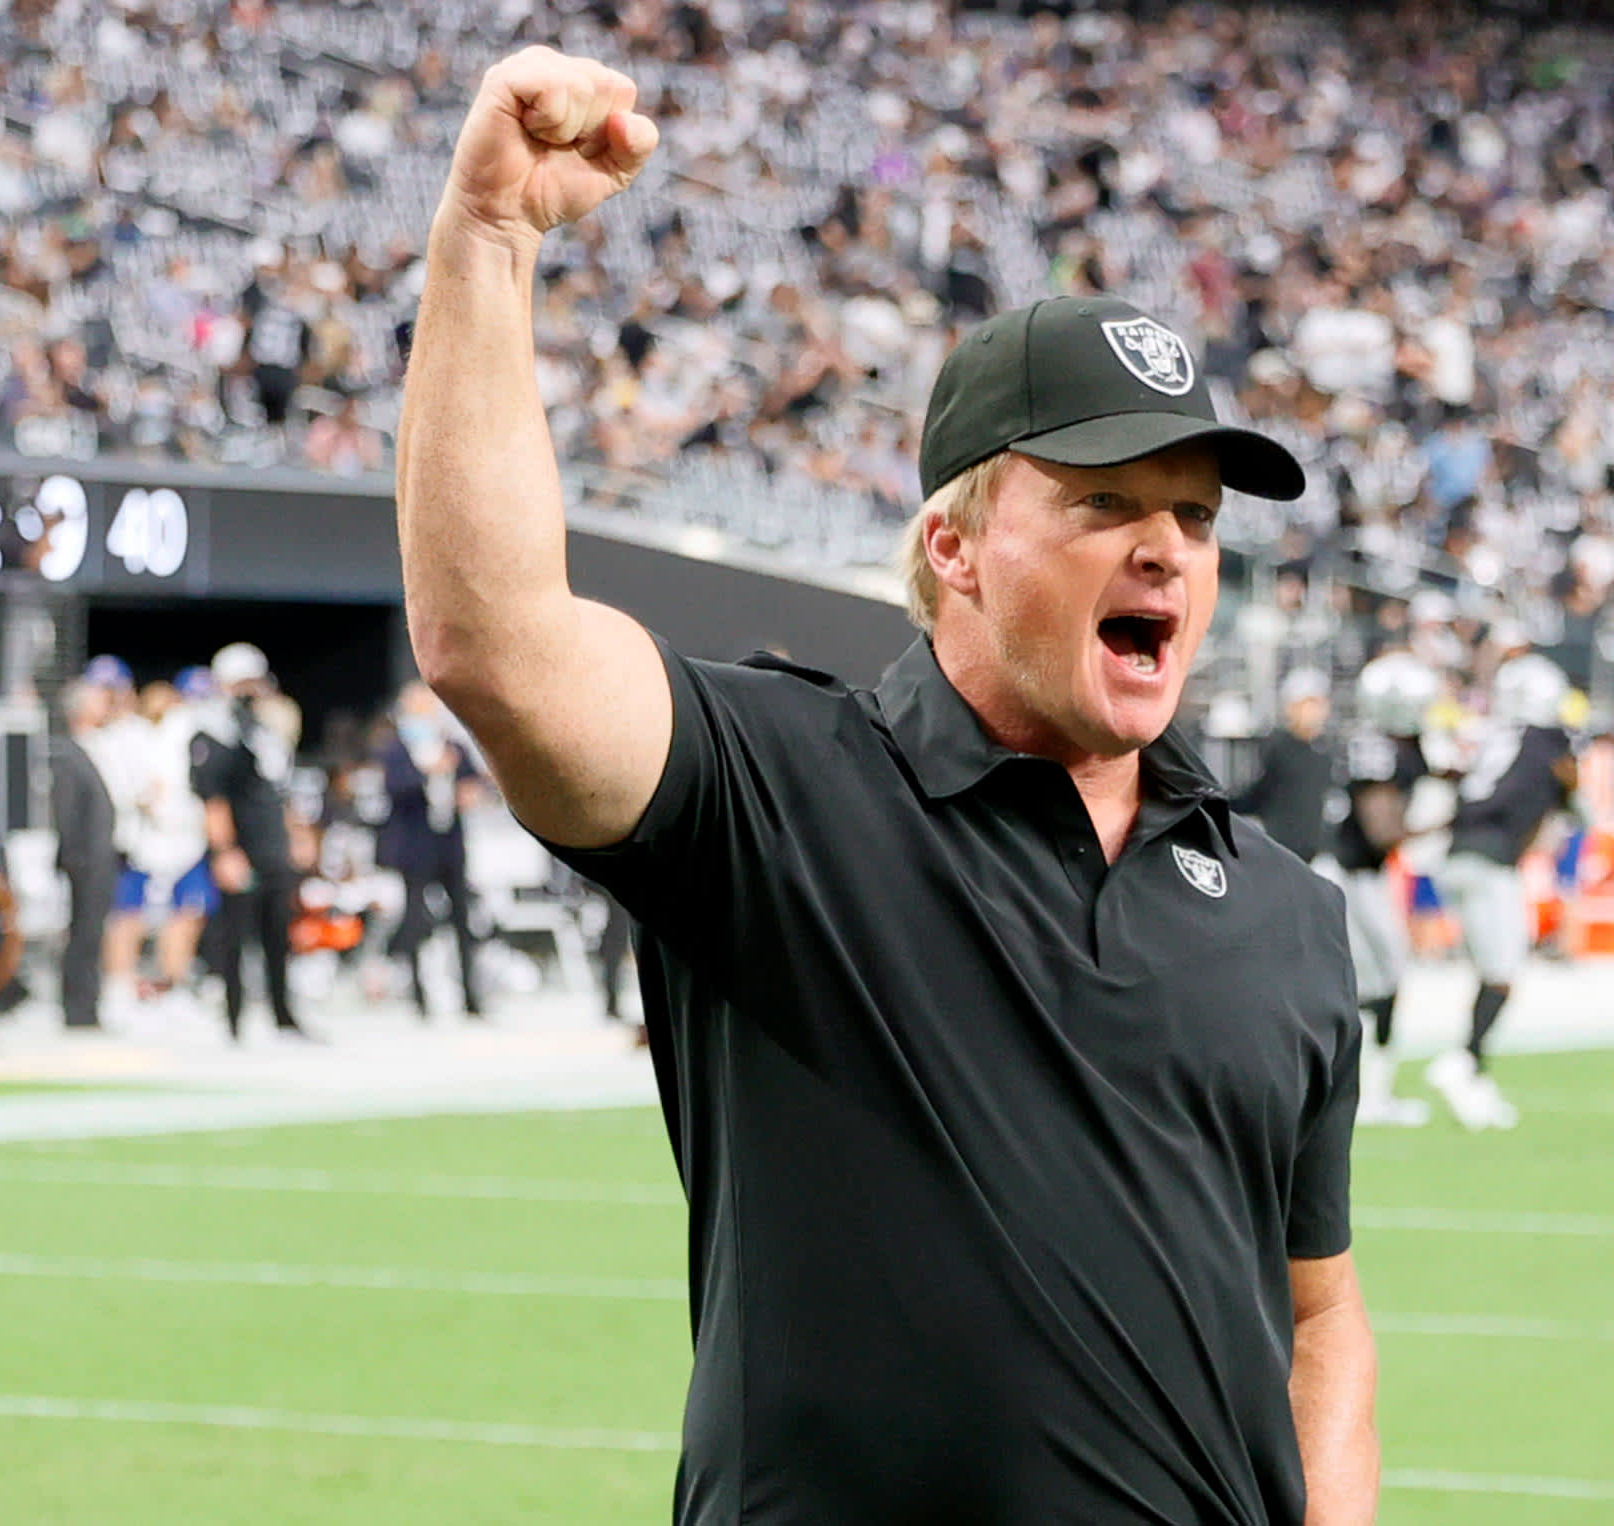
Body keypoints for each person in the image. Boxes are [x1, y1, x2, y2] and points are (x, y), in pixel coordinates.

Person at [397, 49, 1377, 1524]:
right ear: (953, 546)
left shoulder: (1287, 913)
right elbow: (500, 647)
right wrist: (488, 240)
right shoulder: (780, 796)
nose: (1166, 547)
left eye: (1193, 513)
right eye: (1103, 502)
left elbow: (1319, 1320)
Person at [1427, 652, 1578, 1130]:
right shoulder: (1549, 742)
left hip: (1456, 858)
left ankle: (1474, 1074)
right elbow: (1574, 796)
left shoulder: (1492, 733)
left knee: (1487, 972)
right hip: (1490, 864)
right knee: (1503, 973)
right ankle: (1464, 1061)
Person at [1324, 650, 1441, 1128]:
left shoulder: (1389, 746)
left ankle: (1369, 1090)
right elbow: (1381, 830)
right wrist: (1440, 824)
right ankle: (1366, 1092)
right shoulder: (1380, 751)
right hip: (1348, 875)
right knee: (1379, 978)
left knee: (1377, 981)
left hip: (1354, 872)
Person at [191, 642, 310, 1042]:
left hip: (272, 844)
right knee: (234, 938)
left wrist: (295, 833)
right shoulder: (212, 732)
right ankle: (233, 1019)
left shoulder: (264, 731)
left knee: (279, 934)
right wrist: (224, 851)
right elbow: (213, 799)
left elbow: (279, 788)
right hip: (240, 848)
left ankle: (282, 1014)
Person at [105, 676, 217, 1017]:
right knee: (128, 916)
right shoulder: (131, 734)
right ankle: (119, 987)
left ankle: (173, 984)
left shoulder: (195, 733)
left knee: (185, 917)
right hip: (145, 843)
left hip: (186, 842)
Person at [376, 681, 485, 1019]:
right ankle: (418, 998)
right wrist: (427, 773)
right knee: (415, 920)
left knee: (462, 920)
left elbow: (474, 781)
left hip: (449, 844)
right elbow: (394, 790)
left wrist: (469, 791)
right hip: (415, 847)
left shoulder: (453, 746)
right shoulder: (395, 750)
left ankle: (471, 997)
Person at [49, 678, 120, 1031]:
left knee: (94, 933)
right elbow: (66, 810)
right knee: (83, 933)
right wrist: (75, 857)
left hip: (100, 856)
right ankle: (78, 1010)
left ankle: (88, 1006)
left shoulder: (98, 747)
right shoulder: (67, 752)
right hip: (85, 859)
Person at [1230, 666, 1334, 863]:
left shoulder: (1327, 752)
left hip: (1317, 856)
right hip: (1280, 852)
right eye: (1306, 703)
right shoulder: (1276, 747)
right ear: (1291, 707)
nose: (1313, 711)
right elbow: (1253, 795)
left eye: (1318, 703)